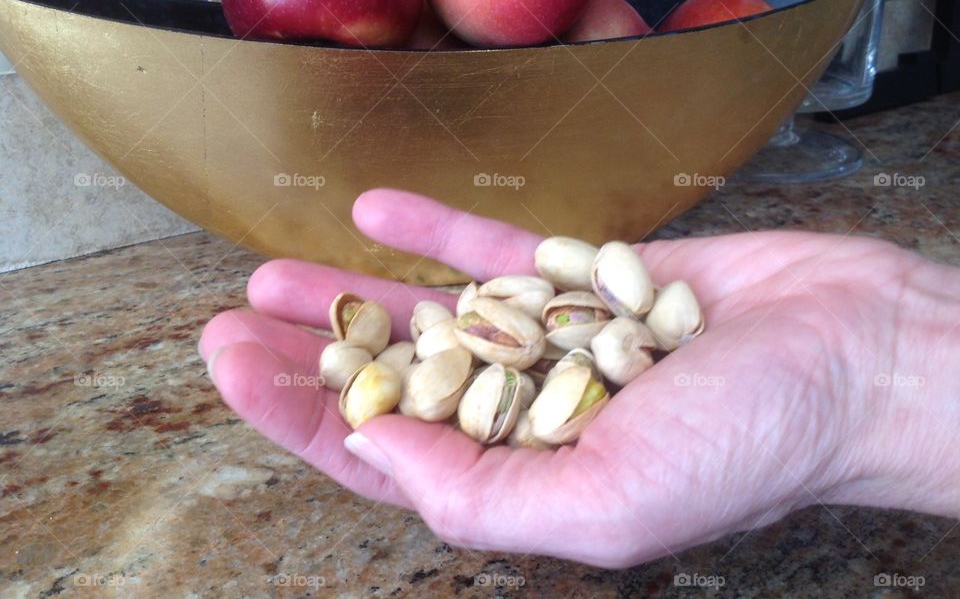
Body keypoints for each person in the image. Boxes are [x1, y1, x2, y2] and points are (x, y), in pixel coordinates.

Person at [198, 189, 960, 569]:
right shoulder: (499, 343)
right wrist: (873, 346)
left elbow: (577, 337)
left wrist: (866, 359)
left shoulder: (615, 329)